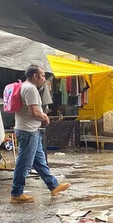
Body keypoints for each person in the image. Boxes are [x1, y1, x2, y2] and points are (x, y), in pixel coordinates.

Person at [10, 65, 70, 203]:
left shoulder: (25, 86)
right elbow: (34, 112)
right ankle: (16, 193)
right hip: (28, 131)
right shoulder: (30, 89)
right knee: (24, 163)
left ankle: (53, 186)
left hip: (29, 130)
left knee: (40, 162)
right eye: (42, 76)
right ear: (35, 76)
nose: (44, 78)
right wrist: (45, 117)